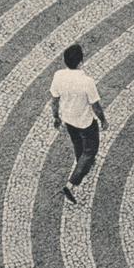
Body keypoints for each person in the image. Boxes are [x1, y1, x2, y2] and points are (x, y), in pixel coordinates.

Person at [50, 43, 108, 204]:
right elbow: (95, 106)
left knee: (77, 143)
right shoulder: (87, 82)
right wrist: (103, 120)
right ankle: (71, 183)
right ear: (81, 61)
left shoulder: (58, 76)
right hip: (85, 122)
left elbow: (54, 100)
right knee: (90, 150)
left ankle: (81, 163)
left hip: (68, 119)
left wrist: (56, 117)